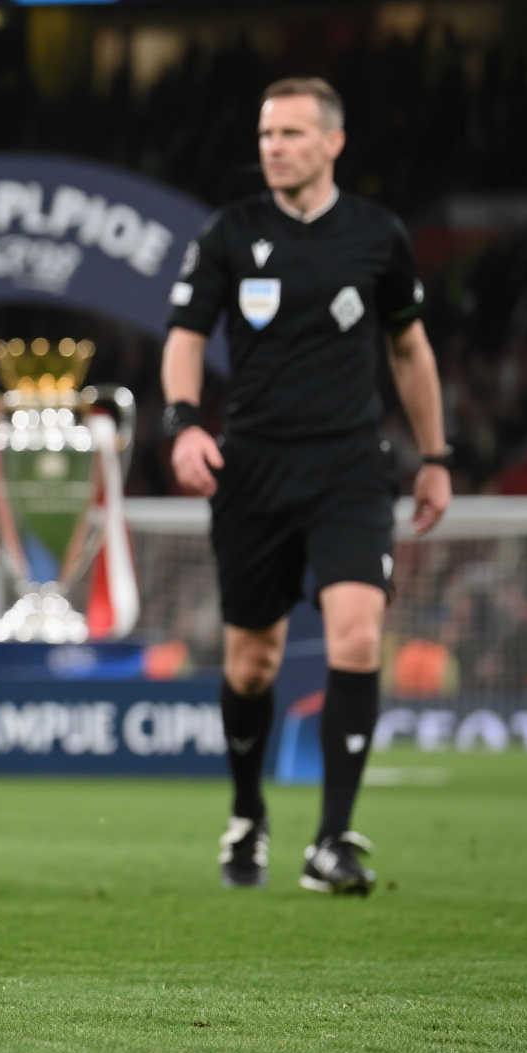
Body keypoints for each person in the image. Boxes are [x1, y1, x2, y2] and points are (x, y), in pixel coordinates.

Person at [163, 77, 449, 896]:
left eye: (291, 133)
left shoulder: (377, 236)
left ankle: (332, 841)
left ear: (333, 142)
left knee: (357, 635)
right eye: (266, 135)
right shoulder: (230, 232)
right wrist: (183, 423)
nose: (274, 148)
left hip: (350, 467)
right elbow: (185, 335)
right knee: (253, 662)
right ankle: (247, 811)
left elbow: (410, 350)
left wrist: (437, 455)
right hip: (253, 471)